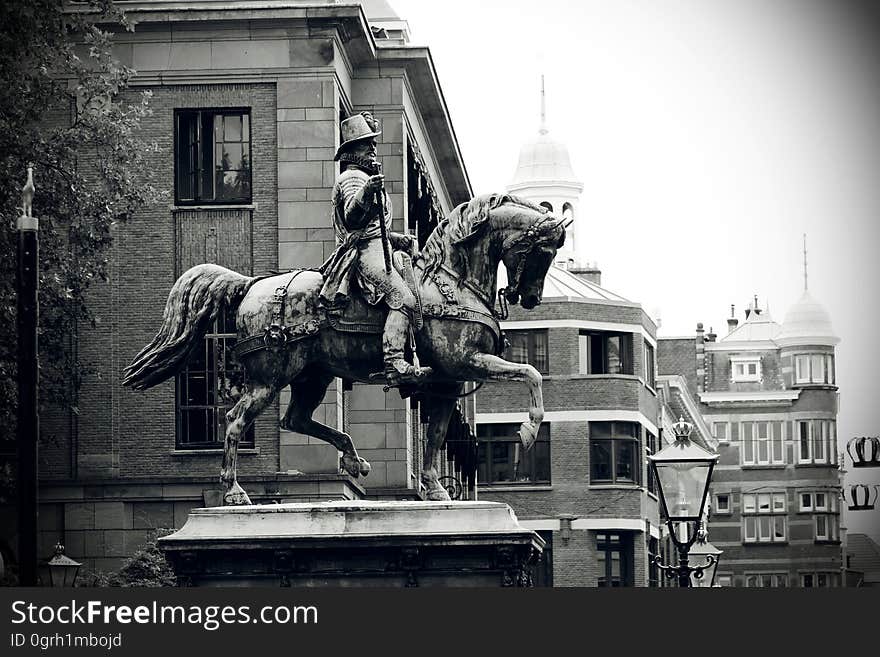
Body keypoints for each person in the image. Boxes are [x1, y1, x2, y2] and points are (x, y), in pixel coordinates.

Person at [319, 112, 432, 386]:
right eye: (366, 143)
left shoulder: (365, 177)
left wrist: (397, 239)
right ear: (352, 150)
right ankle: (394, 362)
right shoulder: (352, 178)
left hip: (377, 247)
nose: (372, 148)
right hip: (363, 255)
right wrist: (367, 191)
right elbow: (352, 218)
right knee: (404, 299)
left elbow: (374, 228)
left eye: (373, 143)